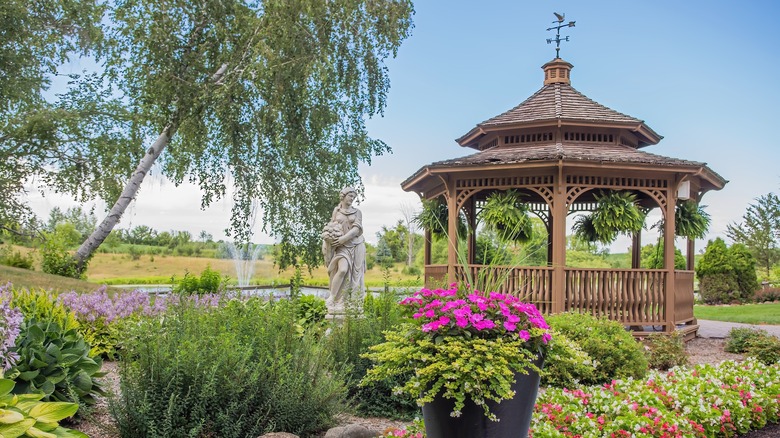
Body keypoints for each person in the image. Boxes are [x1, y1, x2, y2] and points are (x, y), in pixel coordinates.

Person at [322, 187, 366, 314]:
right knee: (342, 270)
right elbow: (332, 226)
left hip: (356, 245)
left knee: (355, 276)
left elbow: (356, 230)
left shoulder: (357, 212)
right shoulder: (336, 211)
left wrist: (343, 238)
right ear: (343, 196)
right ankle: (333, 297)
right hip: (341, 248)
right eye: (350, 196)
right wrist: (327, 241)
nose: (352, 199)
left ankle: (349, 302)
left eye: (353, 197)